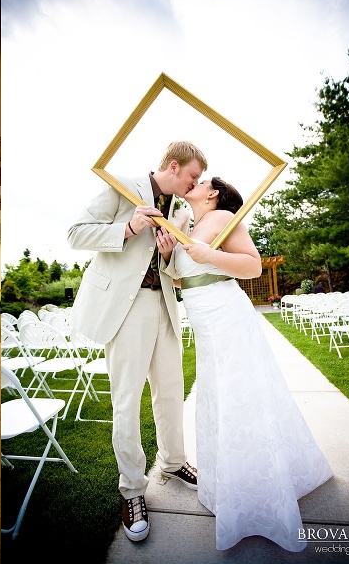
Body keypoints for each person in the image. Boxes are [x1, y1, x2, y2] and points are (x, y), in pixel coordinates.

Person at [157, 177, 333, 551]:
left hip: (227, 314)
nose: (194, 182)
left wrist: (213, 256)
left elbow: (252, 266)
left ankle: (261, 494)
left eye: (201, 180)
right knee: (219, 395)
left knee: (242, 395)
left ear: (213, 193)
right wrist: (171, 255)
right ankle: (230, 484)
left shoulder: (222, 217)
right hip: (203, 318)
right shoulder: (187, 223)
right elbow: (183, 278)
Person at [67, 141, 204, 542]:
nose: (194, 185)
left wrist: (167, 255)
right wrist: (129, 228)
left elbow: (175, 271)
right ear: (175, 166)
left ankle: (173, 461)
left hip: (163, 304)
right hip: (123, 310)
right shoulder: (120, 186)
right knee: (126, 400)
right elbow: (76, 234)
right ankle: (132, 491)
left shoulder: (179, 212)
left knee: (171, 390)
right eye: (192, 176)